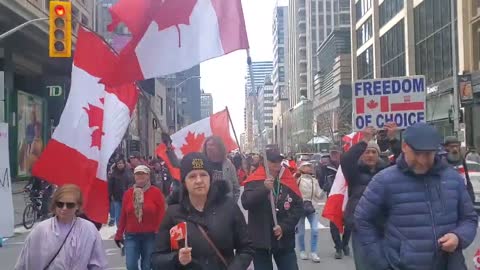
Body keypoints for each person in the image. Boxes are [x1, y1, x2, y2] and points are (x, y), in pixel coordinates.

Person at [354, 123, 478, 269]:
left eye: (428, 154)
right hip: (401, 265)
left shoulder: (453, 179)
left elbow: (469, 218)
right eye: (417, 153)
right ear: (405, 147)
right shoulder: (384, 180)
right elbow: (362, 220)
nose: (422, 160)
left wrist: (458, 237)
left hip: (449, 264)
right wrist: (380, 261)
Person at [151, 152, 254, 269]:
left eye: (203, 175)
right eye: (192, 176)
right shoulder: (173, 213)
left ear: (210, 178)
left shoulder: (229, 207)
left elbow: (246, 248)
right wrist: (176, 259)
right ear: (184, 182)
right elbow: (157, 259)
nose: (199, 180)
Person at [15, 184, 107, 269]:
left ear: (78, 206)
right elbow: (24, 263)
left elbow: (98, 264)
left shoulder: (89, 230)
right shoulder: (41, 230)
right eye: (60, 204)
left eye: (70, 205)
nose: (64, 208)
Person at [241, 148, 303, 270]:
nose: (276, 165)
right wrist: (263, 189)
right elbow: (246, 203)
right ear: (265, 162)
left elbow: (298, 206)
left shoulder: (288, 179)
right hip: (261, 241)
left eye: (279, 161)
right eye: (273, 161)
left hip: (284, 240)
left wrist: (284, 226)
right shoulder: (254, 180)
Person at [340, 126, 388, 270]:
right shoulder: (354, 172)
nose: (370, 155)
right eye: (367, 152)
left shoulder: (387, 172)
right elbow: (347, 158)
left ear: (378, 155)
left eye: (374, 152)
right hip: (360, 227)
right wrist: (365, 140)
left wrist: (391, 139)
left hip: (384, 226)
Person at [115, 165, 166, 270]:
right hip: (131, 236)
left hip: (150, 235)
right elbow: (123, 215)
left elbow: (162, 214)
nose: (140, 176)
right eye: (137, 174)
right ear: (134, 176)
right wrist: (119, 234)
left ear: (148, 176)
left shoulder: (156, 192)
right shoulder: (128, 194)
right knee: (131, 265)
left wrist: (160, 231)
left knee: (147, 266)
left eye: (143, 173)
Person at [317, 146, 352, 259]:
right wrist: (327, 187)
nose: (334, 155)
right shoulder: (325, 166)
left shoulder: (347, 164)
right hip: (334, 197)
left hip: (347, 197)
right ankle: (338, 247)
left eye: (336, 153)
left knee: (349, 223)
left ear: (340, 153)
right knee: (334, 224)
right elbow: (321, 181)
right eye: (332, 153)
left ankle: (345, 244)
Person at [296, 161, 322, 263]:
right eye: (306, 166)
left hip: (312, 208)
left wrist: (324, 188)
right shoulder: (297, 179)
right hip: (300, 208)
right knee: (301, 232)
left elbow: (318, 195)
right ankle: (302, 251)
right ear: (301, 168)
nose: (309, 167)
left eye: (310, 166)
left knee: (315, 230)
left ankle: (313, 252)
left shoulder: (314, 180)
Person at [202, 136, 241, 202]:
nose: (209, 147)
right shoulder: (202, 163)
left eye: (212, 145)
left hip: (225, 204)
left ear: (219, 147)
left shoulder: (228, 164)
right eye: (207, 145)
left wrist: (232, 204)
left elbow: (236, 187)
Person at [443, 136, 475, 203]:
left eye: (456, 146)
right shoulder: (441, 162)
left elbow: (467, 179)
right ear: (446, 148)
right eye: (452, 147)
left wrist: (471, 196)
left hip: (464, 195)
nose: (455, 149)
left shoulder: (461, 160)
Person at [108, 158, 132, 227]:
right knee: (118, 215)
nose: (120, 165)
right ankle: (119, 229)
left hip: (127, 197)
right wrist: (111, 195)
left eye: (121, 163)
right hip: (117, 198)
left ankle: (127, 229)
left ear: (124, 164)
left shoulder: (128, 173)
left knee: (127, 214)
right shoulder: (113, 174)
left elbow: (130, 183)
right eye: (118, 163)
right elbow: (110, 185)